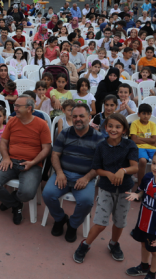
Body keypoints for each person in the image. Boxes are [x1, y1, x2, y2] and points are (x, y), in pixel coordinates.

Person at [73, 113, 138, 264]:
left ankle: (114, 243)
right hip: (106, 189)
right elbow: (97, 168)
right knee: (101, 223)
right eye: (110, 126)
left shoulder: (130, 145)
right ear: (105, 127)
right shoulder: (101, 146)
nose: (113, 129)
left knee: (120, 222)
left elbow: (134, 167)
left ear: (124, 130)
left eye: (118, 127)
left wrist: (123, 170)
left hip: (124, 190)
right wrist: (108, 173)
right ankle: (85, 244)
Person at [43, 103, 104, 242]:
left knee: (86, 201)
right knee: (47, 194)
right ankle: (60, 218)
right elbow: (55, 155)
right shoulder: (65, 132)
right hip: (63, 173)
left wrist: (87, 178)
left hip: (84, 176)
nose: (78, 119)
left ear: (89, 117)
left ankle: (73, 224)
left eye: (81, 116)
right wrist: (59, 172)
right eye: (74, 116)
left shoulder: (98, 138)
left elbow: (99, 164)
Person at [0, 94, 52, 225]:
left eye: (17, 106)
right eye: (15, 105)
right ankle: (16, 205)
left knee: (27, 193)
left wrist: (33, 162)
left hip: (32, 164)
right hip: (11, 161)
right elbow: (3, 143)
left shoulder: (42, 124)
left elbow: (46, 148)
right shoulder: (12, 121)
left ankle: (10, 201)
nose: (14, 108)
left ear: (29, 108)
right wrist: (5, 158)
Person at [124, 149, 156, 279]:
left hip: (155, 227)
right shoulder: (147, 178)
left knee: (155, 251)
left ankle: (152, 273)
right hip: (142, 221)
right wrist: (137, 195)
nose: (155, 167)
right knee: (143, 244)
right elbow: (142, 192)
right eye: (154, 163)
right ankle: (144, 266)